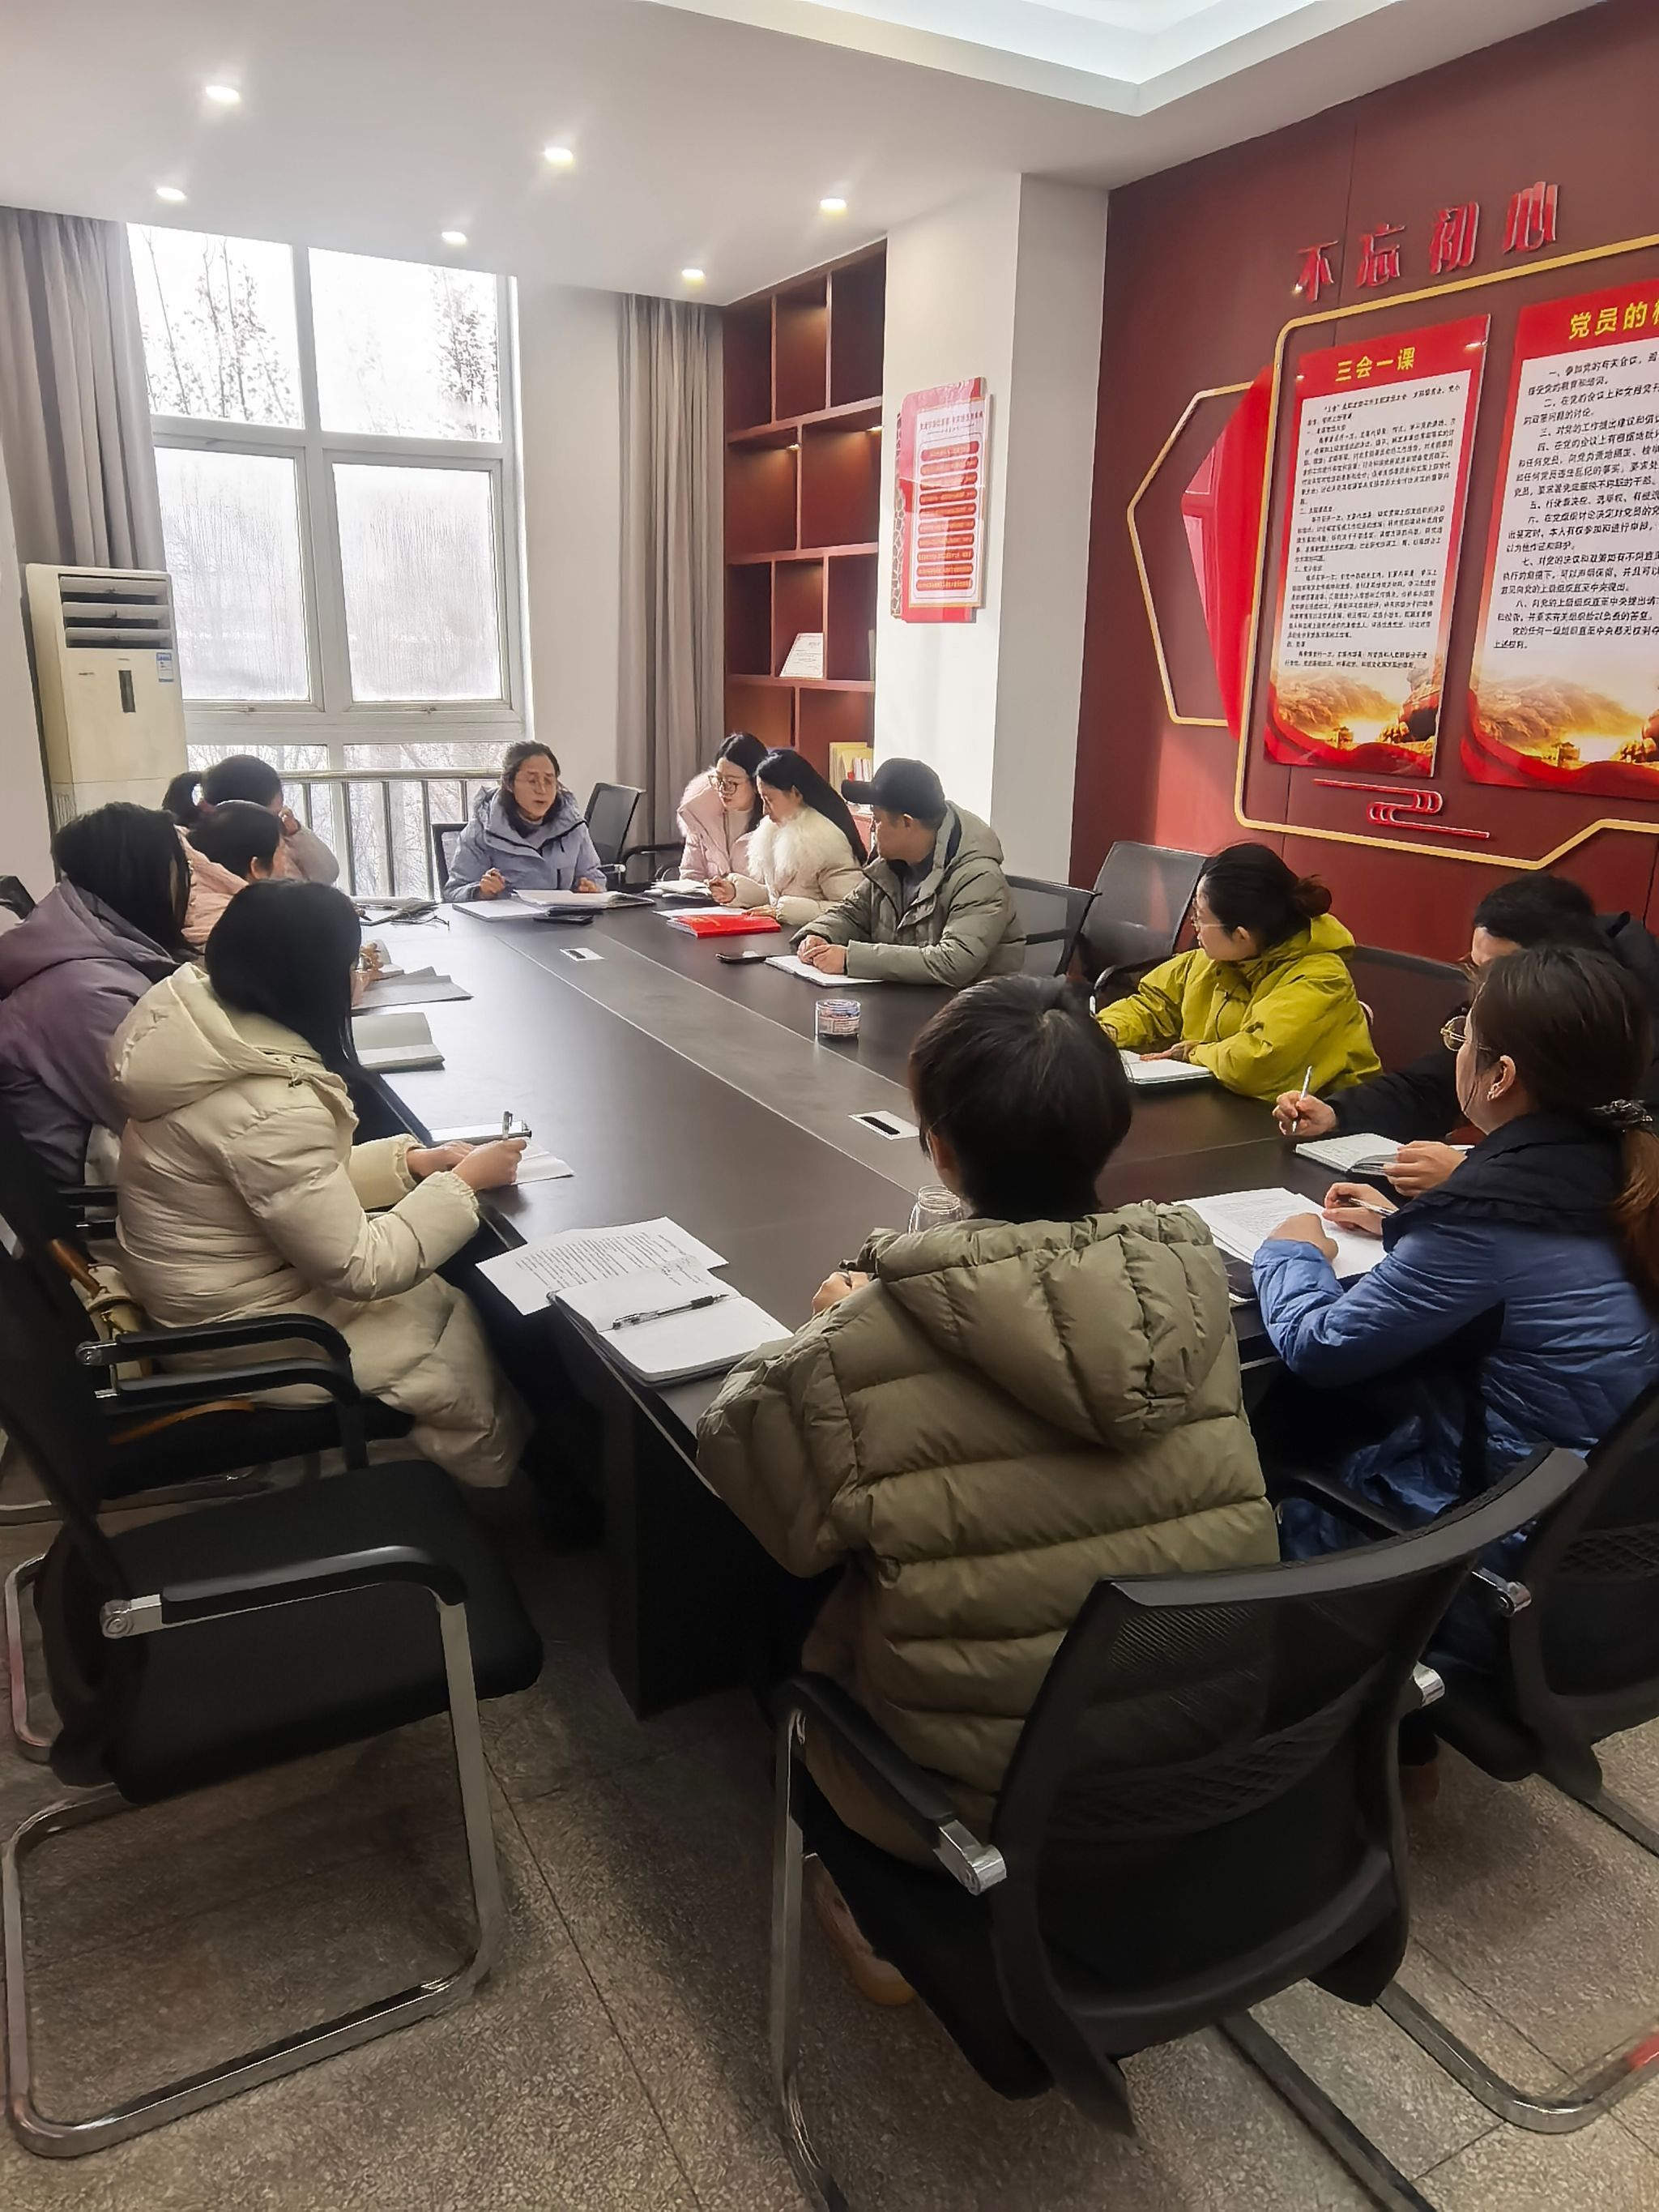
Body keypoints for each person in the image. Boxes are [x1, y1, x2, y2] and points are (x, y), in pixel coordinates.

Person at [697, 975, 1276, 1991]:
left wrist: (820, 1332)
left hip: (969, 1814)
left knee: (770, 1586)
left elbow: (733, 1465)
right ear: (1108, 1137)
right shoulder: (1194, 1291)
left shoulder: (863, 1340)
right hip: (1199, 1755)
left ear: (940, 1152)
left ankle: (879, 1913)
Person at [1253, 945, 1659, 1578]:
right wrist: (1405, 1228)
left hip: (1472, 1543)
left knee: (1272, 1433)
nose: (1456, 1053)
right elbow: (1533, 1278)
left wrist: (1292, 1250)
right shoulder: (1622, 1166)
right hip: (1592, 1540)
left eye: (1461, 1039)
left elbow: (1319, 1347)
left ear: (1500, 1076)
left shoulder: (1489, 1219)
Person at [110, 880, 531, 1489]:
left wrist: (411, 1163)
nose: (356, 978)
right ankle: (508, 1491)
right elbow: (360, 1267)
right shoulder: (270, 1103)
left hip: (203, 1293)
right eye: (350, 965)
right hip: (248, 1333)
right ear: (311, 979)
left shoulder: (204, 1034)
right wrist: (463, 1185)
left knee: (450, 1287)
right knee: (458, 1327)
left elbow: (279, 1185)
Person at [1273, 873, 1659, 1198]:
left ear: (1548, 970)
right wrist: (1337, 1113)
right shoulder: (1505, 1006)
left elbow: (1618, 1173)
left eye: (1492, 973)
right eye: (1474, 968)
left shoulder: (1627, 1030)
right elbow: (1431, 1085)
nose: (1479, 989)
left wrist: (1474, 1176)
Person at [1095, 843, 1380, 1103]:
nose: (1194, 926)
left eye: (1200, 918)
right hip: (1223, 1105)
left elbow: (1257, 1062)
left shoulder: (1321, 978)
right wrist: (1104, 1031)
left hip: (1322, 1123)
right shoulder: (1214, 960)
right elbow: (1154, 1006)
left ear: (1241, 936)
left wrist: (1191, 1053)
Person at [0, 804, 186, 1181]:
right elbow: (168, 1127)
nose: (190, 885)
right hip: (108, 1202)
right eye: (182, 867)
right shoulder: (82, 992)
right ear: (141, 877)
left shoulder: (100, 960)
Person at [794, 758, 1025, 986]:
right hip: (904, 997)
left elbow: (954, 962)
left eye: (877, 819)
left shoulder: (978, 877)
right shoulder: (890, 865)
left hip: (973, 1004)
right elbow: (852, 913)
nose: (872, 828)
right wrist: (820, 934)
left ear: (907, 822)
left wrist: (850, 959)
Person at [708, 749, 865, 925]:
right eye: (762, 800)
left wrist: (783, 911)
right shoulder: (777, 830)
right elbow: (779, 898)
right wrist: (736, 892)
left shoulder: (827, 843)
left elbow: (851, 911)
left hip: (817, 938)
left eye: (769, 800)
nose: (764, 811)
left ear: (795, 793)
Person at [442, 741, 604, 901]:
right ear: (509, 783)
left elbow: (595, 877)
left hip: (563, 917)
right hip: (506, 918)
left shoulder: (573, 826)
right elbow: (453, 892)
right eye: (532, 781)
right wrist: (481, 891)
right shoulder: (480, 831)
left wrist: (591, 888)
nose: (542, 790)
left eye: (549, 781)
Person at [164, 755, 340, 884]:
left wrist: (296, 833)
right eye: (273, 814)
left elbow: (328, 872)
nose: (277, 822)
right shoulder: (202, 860)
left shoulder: (275, 831)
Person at [178, 801, 284, 950]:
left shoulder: (178, 889)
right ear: (256, 868)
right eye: (282, 852)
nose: (286, 861)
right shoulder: (242, 927)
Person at [676, 732, 767, 884]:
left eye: (732, 783)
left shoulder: (773, 821)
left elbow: (774, 890)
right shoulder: (700, 814)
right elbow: (691, 874)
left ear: (756, 783)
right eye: (719, 779)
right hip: (706, 899)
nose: (722, 789)